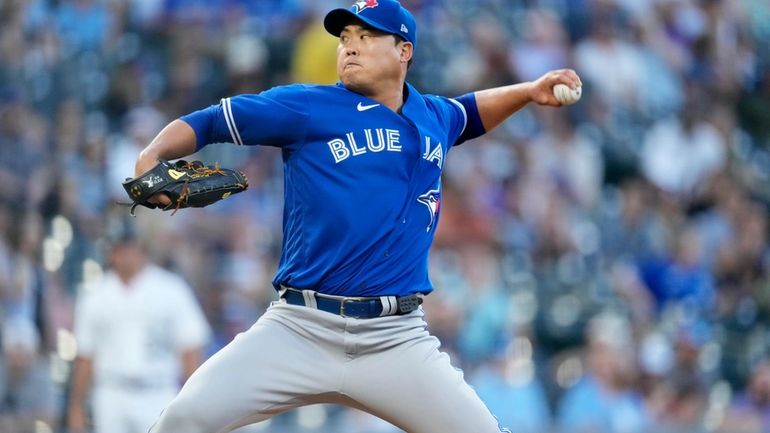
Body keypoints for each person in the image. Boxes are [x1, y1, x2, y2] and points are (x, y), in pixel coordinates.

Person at [132, 1, 581, 432]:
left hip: (396, 340)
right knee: (183, 421)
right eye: (345, 36)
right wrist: (153, 153)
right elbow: (212, 119)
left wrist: (526, 92)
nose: (349, 45)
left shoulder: (433, 116)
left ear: (404, 50)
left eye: (366, 36)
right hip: (299, 329)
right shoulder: (308, 107)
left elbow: (469, 112)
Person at [67, 226, 211, 433]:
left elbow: (190, 349)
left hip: (158, 391)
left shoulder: (171, 289)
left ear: (142, 249)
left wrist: (195, 402)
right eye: (117, 249)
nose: (122, 255)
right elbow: (86, 355)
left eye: (127, 248)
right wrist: (76, 406)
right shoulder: (96, 295)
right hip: (111, 392)